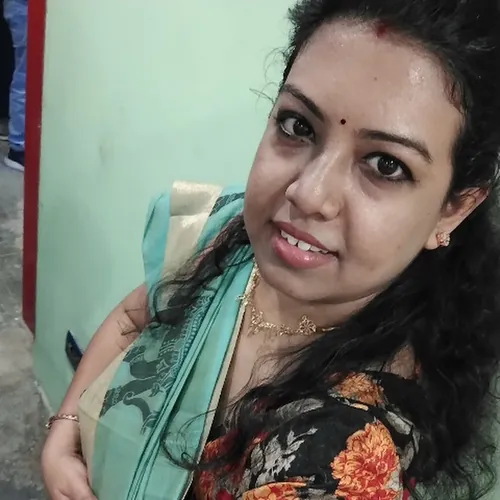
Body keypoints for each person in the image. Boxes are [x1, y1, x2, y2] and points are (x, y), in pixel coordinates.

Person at [41, 0, 500, 498]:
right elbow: (136, 317)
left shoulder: (344, 456)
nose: (308, 194)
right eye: (298, 126)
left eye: (386, 165)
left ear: (453, 209)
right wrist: (65, 428)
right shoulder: (229, 236)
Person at [3, 0, 26, 171]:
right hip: (24, 6)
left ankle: (20, 142)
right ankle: (18, 148)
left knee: (27, 72)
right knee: (27, 74)